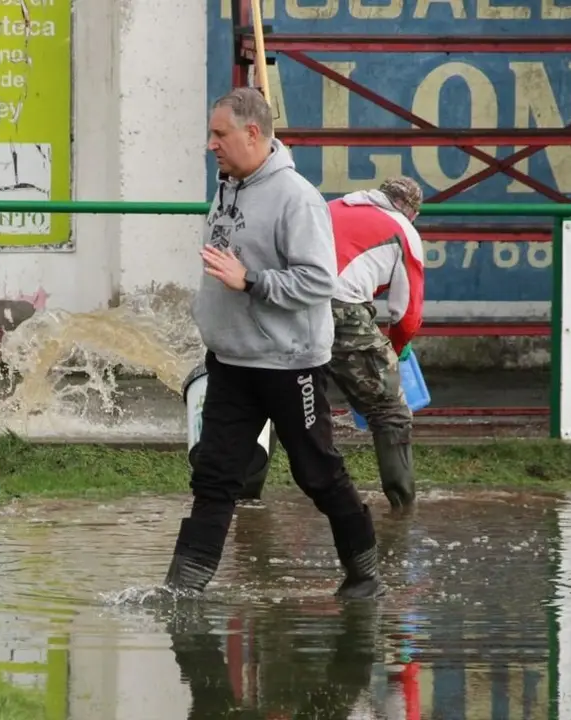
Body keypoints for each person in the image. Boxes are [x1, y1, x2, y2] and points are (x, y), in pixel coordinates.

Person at [163, 87, 381, 600]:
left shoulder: (297, 199)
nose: (210, 144)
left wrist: (253, 282)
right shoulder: (227, 187)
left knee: (317, 473)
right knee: (213, 476)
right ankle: (182, 588)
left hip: (289, 365)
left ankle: (365, 573)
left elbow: (318, 281)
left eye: (220, 134)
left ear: (253, 133)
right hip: (231, 362)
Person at [327, 177, 426, 511]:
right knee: (390, 411)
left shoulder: (332, 207)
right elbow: (406, 314)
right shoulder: (404, 230)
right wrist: (396, 352)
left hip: (287, 305)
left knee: (278, 399)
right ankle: (403, 507)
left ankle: (246, 496)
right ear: (411, 211)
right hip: (342, 311)